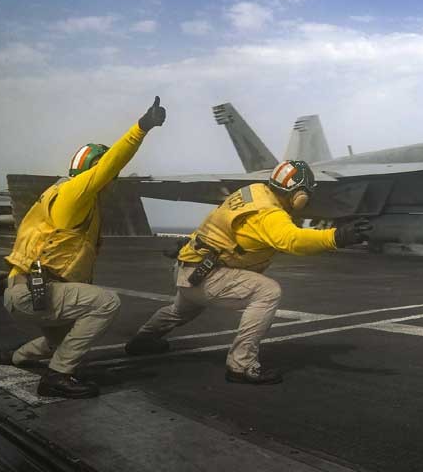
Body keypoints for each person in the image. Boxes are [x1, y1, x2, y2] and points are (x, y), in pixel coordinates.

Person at [123, 160, 372, 385]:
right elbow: (292, 240)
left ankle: (142, 341)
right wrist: (337, 236)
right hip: (209, 275)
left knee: (180, 310)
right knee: (267, 291)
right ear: (298, 195)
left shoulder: (252, 191)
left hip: (190, 267)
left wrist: (186, 244)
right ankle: (241, 366)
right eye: (306, 192)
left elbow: (216, 221)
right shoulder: (269, 213)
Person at [0, 97, 166, 399]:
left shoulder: (57, 193)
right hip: (36, 291)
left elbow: (33, 235)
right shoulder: (76, 192)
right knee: (105, 303)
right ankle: (56, 377)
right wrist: (142, 127)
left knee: (59, 339)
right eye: (104, 173)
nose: (111, 179)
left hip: (29, 288)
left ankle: (15, 357)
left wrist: (10, 273)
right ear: (92, 170)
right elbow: (113, 163)